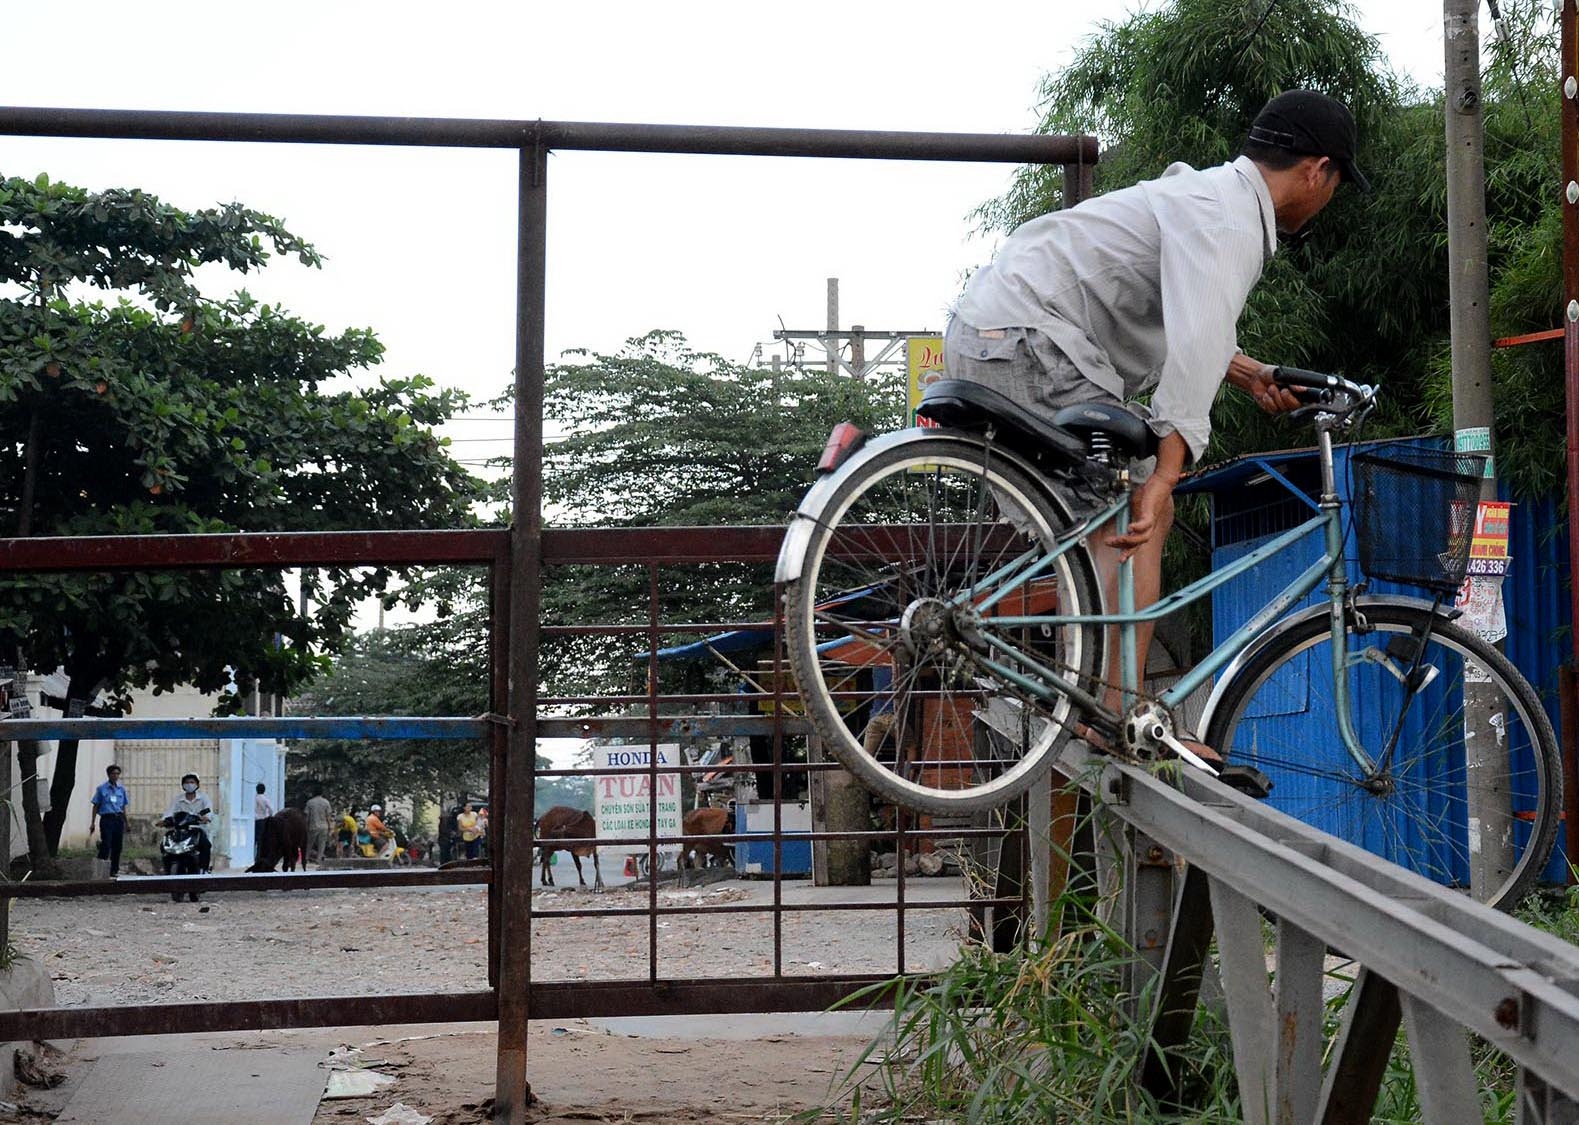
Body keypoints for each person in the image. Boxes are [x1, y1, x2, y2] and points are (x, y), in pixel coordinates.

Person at [944, 89, 1366, 741]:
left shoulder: (1207, 197)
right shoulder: (1228, 219)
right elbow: (1195, 341)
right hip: (1027, 335)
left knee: (1107, 510)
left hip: (998, 330)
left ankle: (1102, 701)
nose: (1329, 198)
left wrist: (1251, 373)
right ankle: (1115, 710)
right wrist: (1170, 469)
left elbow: (1186, 310)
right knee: (1139, 499)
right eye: (1336, 182)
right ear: (1316, 170)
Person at [163, 773, 214, 873]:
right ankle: (166, 868)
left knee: (206, 844)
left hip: (197, 829)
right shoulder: (178, 799)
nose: (189, 784)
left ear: (197, 785)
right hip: (180, 830)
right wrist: (164, 820)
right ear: (182, 785)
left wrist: (205, 818)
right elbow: (170, 811)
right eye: (186, 782)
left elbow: (209, 811)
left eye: (192, 782)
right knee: (164, 843)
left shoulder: (203, 798)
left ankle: (204, 869)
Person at [87, 763, 129, 877]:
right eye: (113, 774)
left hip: (118, 818)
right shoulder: (102, 789)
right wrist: (92, 822)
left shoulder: (121, 789)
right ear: (108, 775)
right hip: (107, 819)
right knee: (106, 843)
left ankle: (114, 870)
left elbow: (123, 807)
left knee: (117, 846)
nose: (115, 776)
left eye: (117, 774)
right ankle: (101, 867)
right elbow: (96, 805)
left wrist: (127, 822)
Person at [304, 790, 333, 865]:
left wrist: (306, 825)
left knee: (309, 843)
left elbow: (307, 816)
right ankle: (318, 859)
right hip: (324, 826)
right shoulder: (326, 802)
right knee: (322, 844)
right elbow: (328, 816)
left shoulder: (310, 802)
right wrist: (330, 826)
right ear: (322, 793)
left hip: (313, 826)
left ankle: (306, 858)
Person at [253, 782, 274, 855]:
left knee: (254, 839)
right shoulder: (265, 799)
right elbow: (271, 809)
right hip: (263, 820)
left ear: (256, 790)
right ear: (264, 790)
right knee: (261, 839)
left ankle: (252, 854)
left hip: (254, 821)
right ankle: (258, 855)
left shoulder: (254, 799)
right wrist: (270, 816)